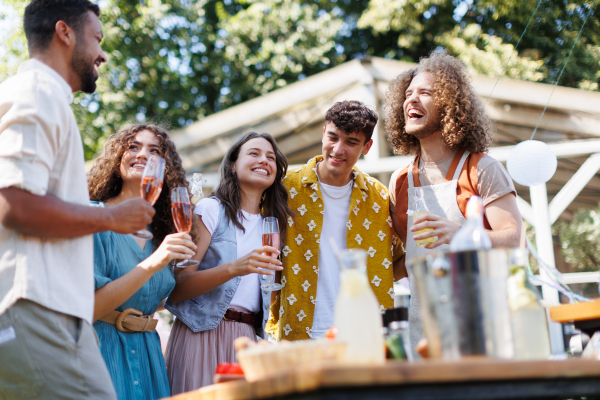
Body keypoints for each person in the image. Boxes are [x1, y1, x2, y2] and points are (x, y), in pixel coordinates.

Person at [0, 1, 155, 399]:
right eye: (97, 38)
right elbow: (15, 205)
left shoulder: (37, 96)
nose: (102, 53)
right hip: (36, 306)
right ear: (64, 32)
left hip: (41, 309)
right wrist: (110, 218)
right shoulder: (38, 94)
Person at [385, 51, 522, 348]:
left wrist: (459, 235)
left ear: (449, 104)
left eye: (425, 92)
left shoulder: (481, 169)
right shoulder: (399, 181)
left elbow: (513, 239)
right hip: (425, 332)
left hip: (484, 327)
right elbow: (405, 259)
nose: (412, 99)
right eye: (408, 94)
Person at [265, 100, 405, 341]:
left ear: (367, 147)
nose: (338, 149)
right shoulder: (284, 189)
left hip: (365, 335)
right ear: (323, 134)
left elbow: (399, 261)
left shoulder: (381, 197)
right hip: (298, 333)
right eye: (333, 137)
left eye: (351, 142)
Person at [165, 132, 293, 392]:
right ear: (233, 164)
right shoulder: (211, 210)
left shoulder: (273, 225)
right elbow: (178, 287)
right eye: (254, 153)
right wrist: (236, 267)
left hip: (246, 338)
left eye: (271, 157)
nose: (264, 160)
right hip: (200, 332)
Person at [88, 124, 197, 400]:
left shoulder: (164, 232)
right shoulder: (94, 218)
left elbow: (155, 297)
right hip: (101, 352)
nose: (142, 154)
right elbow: (87, 309)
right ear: (117, 157)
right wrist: (154, 262)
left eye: (154, 150)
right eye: (133, 147)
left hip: (149, 357)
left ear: (165, 168)